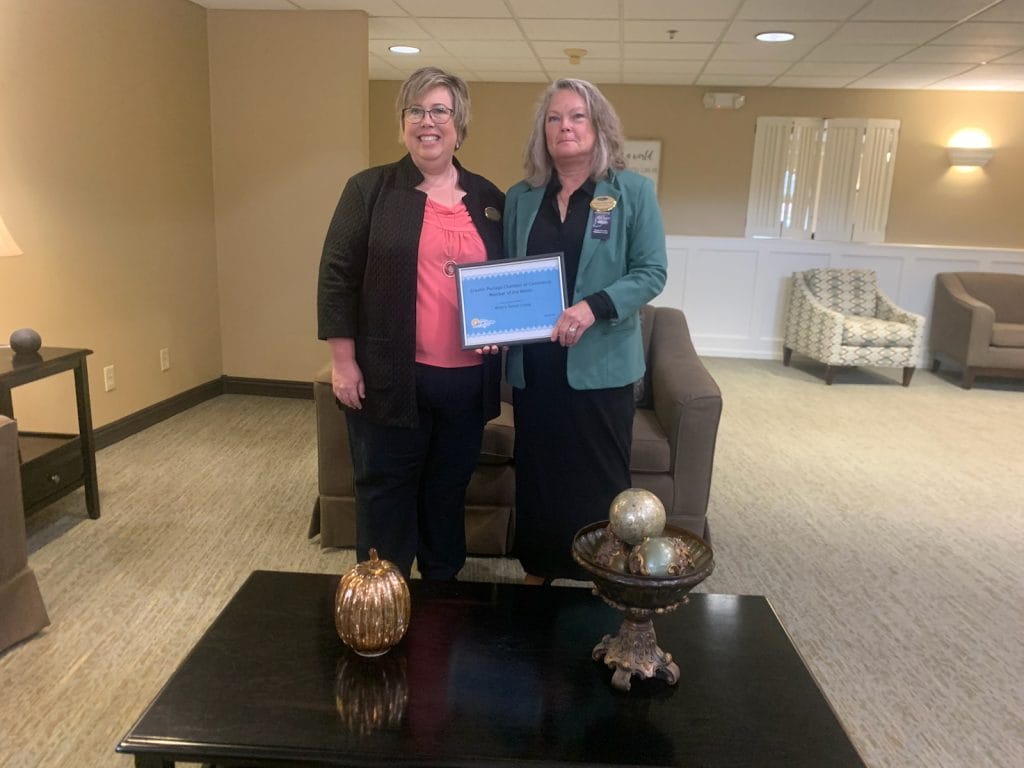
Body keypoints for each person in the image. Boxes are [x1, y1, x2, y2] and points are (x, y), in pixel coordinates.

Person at [317, 67, 504, 580]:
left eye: (440, 111)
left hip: (466, 381)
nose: (428, 122)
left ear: (458, 126)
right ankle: (383, 598)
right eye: (416, 111)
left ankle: (442, 593)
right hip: (391, 376)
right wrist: (342, 361)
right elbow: (336, 275)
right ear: (402, 124)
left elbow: (505, 283)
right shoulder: (370, 190)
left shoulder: (489, 199)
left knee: (447, 490)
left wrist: (500, 332)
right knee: (386, 491)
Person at [504, 78, 668, 584]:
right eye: (554, 119)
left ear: (598, 127)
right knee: (538, 471)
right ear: (543, 132)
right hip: (536, 365)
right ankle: (540, 568)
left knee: (599, 476)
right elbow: (508, 274)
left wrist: (593, 307)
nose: (565, 127)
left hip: (600, 363)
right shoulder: (521, 197)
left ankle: (605, 572)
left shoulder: (630, 191)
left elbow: (651, 271)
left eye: (577, 117)